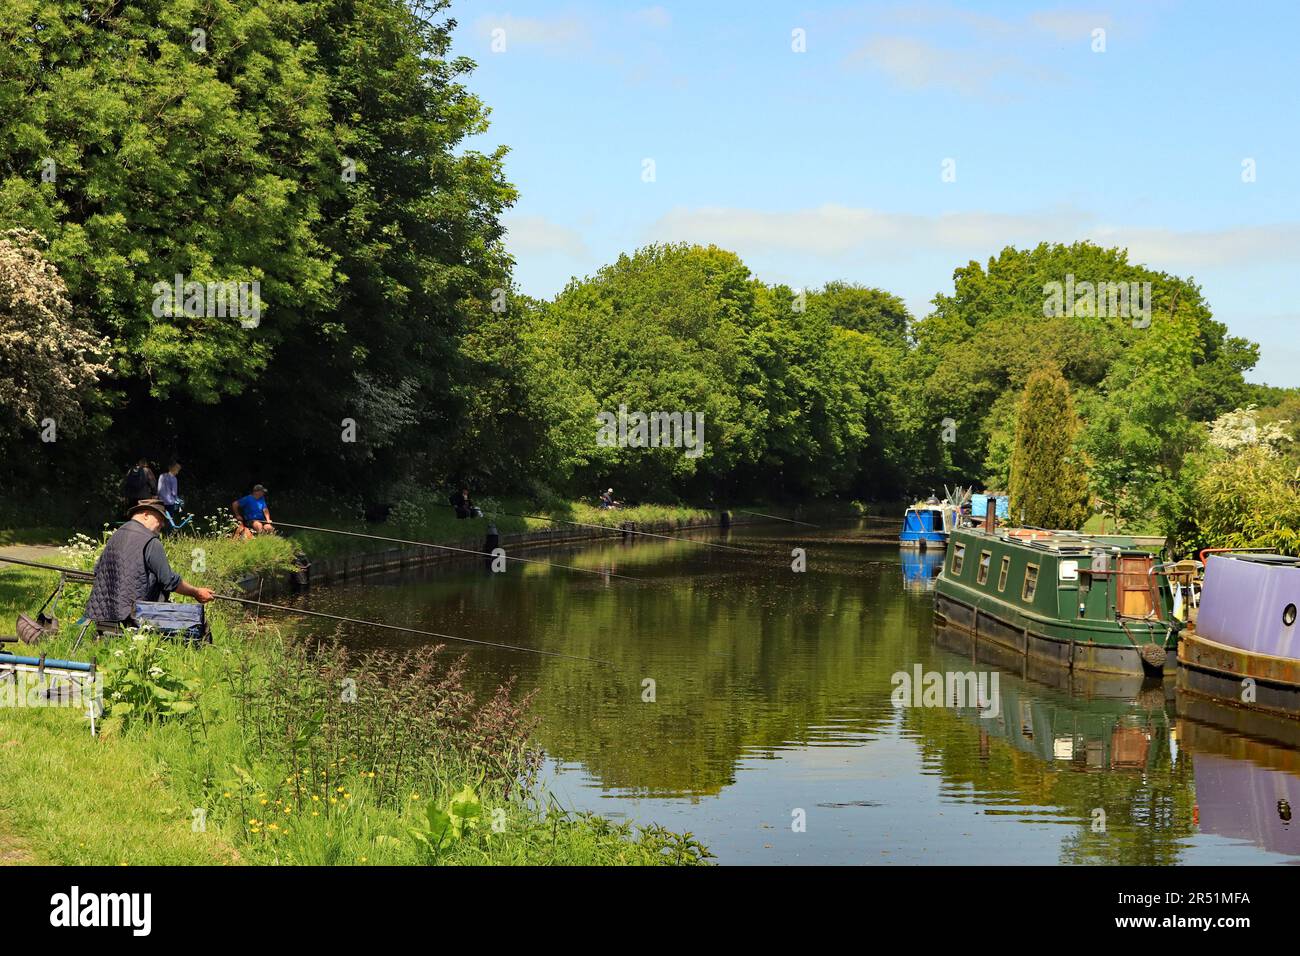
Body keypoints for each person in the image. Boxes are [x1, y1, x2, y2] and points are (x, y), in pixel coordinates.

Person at [84, 499, 213, 627]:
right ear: (146, 515)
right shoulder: (150, 541)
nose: (162, 525)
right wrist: (196, 592)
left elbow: (98, 569)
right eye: (160, 519)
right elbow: (168, 581)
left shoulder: (117, 534)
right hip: (134, 616)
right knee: (199, 624)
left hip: (103, 613)